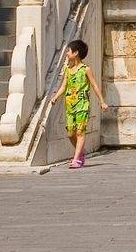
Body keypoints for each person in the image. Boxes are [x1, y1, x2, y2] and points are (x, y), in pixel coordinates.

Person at [46, 39, 107, 169]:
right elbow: (64, 86)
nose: (67, 53)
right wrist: (56, 97)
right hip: (70, 105)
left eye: (68, 51)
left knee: (80, 132)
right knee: (70, 134)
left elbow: (95, 86)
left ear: (76, 52)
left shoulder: (86, 69)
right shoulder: (68, 70)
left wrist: (102, 101)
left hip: (82, 104)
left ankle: (76, 159)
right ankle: (81, 153)